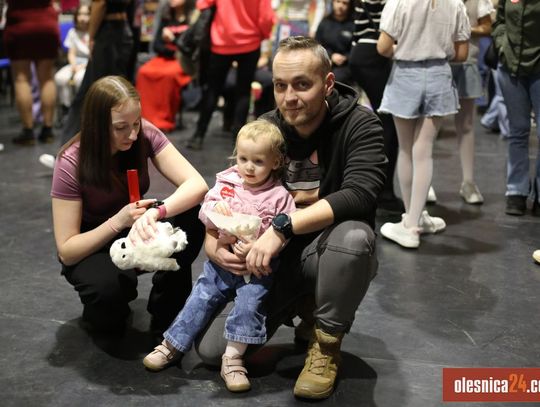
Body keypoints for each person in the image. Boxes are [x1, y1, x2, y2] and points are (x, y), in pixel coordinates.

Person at [193, 36, 386, 400]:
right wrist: (212, 241)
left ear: (327, 84)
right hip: (268, 269)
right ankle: (301, 306)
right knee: (211, 351)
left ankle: (326, 344)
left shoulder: (359, 124)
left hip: (325, 254)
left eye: (301, 84)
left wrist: (282, 227)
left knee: (354, 239)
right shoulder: (266, 127)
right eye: (280, 86)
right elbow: (229, 192)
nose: (289, 97)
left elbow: (360, 194)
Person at [143, 119, 296, 392]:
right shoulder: (227, 182)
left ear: (276, 162)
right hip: (220, 266)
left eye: (258, 161)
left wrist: (260, 246)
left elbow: (284, 234)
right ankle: (171, 345)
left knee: (249, 306)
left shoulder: (279, 196)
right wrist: (216, 211)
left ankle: (233, 358)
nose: (248, 167)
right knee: (199, 299)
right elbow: (206, 210)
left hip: (256, 271)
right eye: (243, 158)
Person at [51, 75, 208, 334]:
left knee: (192, 215)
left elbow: (197, 184)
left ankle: (167, 309)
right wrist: (118, 221)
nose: (133, 134)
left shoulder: (144, 133)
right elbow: (67, 250)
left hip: (136, 226)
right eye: (121, 127)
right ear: (96, 125)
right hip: (94, 242)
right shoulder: (71, 162)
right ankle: (113, 297)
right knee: (109, 311)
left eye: (136, 123)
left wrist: (158, 211)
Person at [377, 0, 470, 249]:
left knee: (406, 149)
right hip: (439, 74)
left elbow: (383, 47)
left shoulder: (398, 2)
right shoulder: (455, 4)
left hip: (406, 74)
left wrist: (409, 47)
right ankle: (415, 217)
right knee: (424, 150)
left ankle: (411, 225)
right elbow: (462, 54)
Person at [186, 0, 275, 150]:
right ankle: (238, 141)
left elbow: (202, 4)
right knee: (243, 92)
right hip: (250, 42)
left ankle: (198, 136)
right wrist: (263, 34)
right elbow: (266, 17)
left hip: (222, 41)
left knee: (212, 90)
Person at [348, 0, 404, 214]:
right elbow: (385, 27)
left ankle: (379, 189)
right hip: (373, 54)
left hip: (364, 53)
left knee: (385, 123)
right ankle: (383, 192)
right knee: (389, 126)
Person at [61, 0, 135, 146]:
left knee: (91, 94)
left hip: (107, 33)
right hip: (124, 29)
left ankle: (71, 148)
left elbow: (99, 3)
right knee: (118, 93)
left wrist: (91, 36)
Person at [492, 0, 540, 216]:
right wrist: (502, 45)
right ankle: (516, 191)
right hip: (511, 67)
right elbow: (500, 21)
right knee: (518, 131)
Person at [445, 0, 494, 205]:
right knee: (429, 127)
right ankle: (425, 184)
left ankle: (468, 182)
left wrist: (464, 29)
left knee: (466, 125)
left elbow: (487, 26)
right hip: (438, 62)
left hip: (467, 62)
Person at [1, 0, 59, 145]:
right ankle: (47, 130)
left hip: (19, 24)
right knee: (47, 79)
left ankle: (28, 132)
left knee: (21, 79)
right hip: (46, 23)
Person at [136, 0, 195, 132]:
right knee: (143, 72)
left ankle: (164, 120)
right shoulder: (166, 17)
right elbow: (157, 45)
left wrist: (173, 40)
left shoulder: (192, 19)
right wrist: (170, 49)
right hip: (163, 57)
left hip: (183, 61)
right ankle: (144, 118)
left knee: (168, 76)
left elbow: (190, 48)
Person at [54, 4, 91, 118]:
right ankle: (66, 108)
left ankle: (82, 109)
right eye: (80, 14)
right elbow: (71, 53)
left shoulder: (93, 32)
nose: (82, 18)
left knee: (79, 79)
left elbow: (93, 55)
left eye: (86, 14)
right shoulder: (73, 32)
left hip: (89, 64)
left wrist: (83, 66)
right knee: (60, 77)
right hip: (75, 63)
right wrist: (74, 65)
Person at [315, 0, 354, 86]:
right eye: (338, 1)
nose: (340, 6)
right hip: (325, 60)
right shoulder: (324, 22)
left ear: (350, 6)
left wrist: (345, 57)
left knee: (336, 78)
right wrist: (330, 56)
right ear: (333, 2)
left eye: (345, 3)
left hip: (345, 65)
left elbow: (356, 48)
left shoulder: (353, 25)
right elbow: (317, 44)